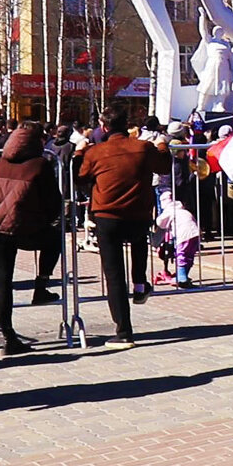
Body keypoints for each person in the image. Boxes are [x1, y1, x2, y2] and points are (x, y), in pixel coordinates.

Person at [77, 107, 171, 349]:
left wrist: (79, 154)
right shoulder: (142, 147)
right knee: (140, 241)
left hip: (107, 215)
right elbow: (164, 166)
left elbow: (79, 176)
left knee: (114, 273)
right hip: (138, 213)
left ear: (104, 127)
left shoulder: (96, 152)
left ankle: (124, 332)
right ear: (126, 124)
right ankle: (140, 284)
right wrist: (162, 145)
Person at [0, 122, 63, 355]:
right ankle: (41, 285)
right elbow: (53, 203)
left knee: (1, 279)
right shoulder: (39, 165)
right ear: (37, 141)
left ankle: (7, 334)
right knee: (54, 240)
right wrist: (44, 219)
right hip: (22, 228)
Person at [156, 190, 200, 289]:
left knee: (182, 254)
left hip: (183, 235)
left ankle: (181, 278)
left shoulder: (170, 211)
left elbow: (160, 222)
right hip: (195, 233)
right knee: (189, 255)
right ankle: (183, 275)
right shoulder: (183, 210)